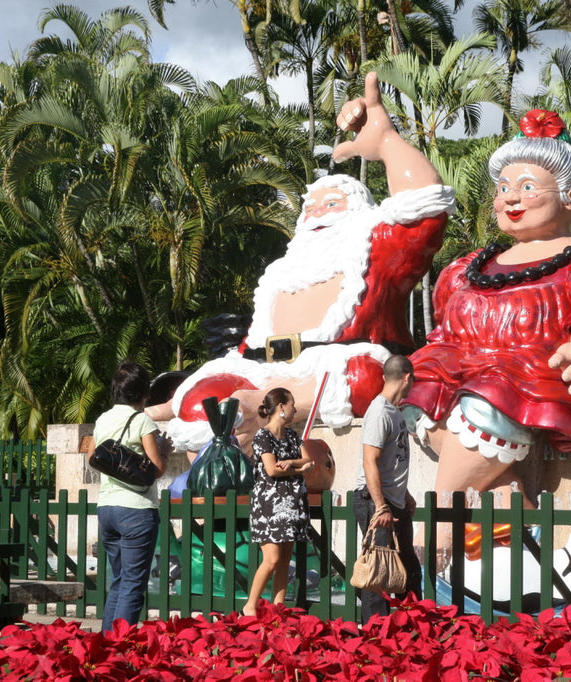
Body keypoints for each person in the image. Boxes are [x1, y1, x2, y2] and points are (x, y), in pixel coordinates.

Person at [150, 71, 455, 455]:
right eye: (310, 208)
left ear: (359, 212)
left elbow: (424, 207)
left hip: (331, 370)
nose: (317, 215)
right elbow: (254, 338)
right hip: (260, 367)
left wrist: (387, 140)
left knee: (362, 377)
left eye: (332, 205)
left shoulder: (370, 245)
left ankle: (261, 411)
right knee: (201, 395)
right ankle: (219, 424)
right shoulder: (284, 270)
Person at [401, 109, 571, 551]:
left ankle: (438, 524)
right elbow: (446, 332)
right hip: (461, 370)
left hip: (537, 375)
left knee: (490, 393)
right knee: (407, 384)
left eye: (528, 187)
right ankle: (506, 497)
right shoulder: (468, 267)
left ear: (570, 196)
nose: (511, 198)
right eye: (503, 188)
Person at [94, 360, 170, 632]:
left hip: (107, 509)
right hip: (136, 510)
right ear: (143, 391)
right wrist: (165, 452)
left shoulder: (102, 419)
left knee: (119, 579)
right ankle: (120, 645)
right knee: (133, 584)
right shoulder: (142, 421)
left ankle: (107, 640)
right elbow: (157, 469)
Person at [353, 354, 421, 623]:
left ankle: (411, 627)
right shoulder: (380, 412)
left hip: (393, 501)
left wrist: (404, 494)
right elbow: (369, 459)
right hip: (376, 502)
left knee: (408, 569)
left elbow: (391, 461)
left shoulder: (394, 412)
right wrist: (380, 505)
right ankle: (374, 635)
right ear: (407, 377)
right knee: (378, 572)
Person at [242, 387, 315, 616]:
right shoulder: (263, 436)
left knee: (284, 560)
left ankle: (278, 609)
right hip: (269, 507)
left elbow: (308, 459)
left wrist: (293, 464)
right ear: (281, 407)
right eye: (292, 404)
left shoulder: (293, 435)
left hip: (292, 504)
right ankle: (250, 606)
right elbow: (272, 470)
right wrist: (299, 468)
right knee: (272, 558)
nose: (294, 409)